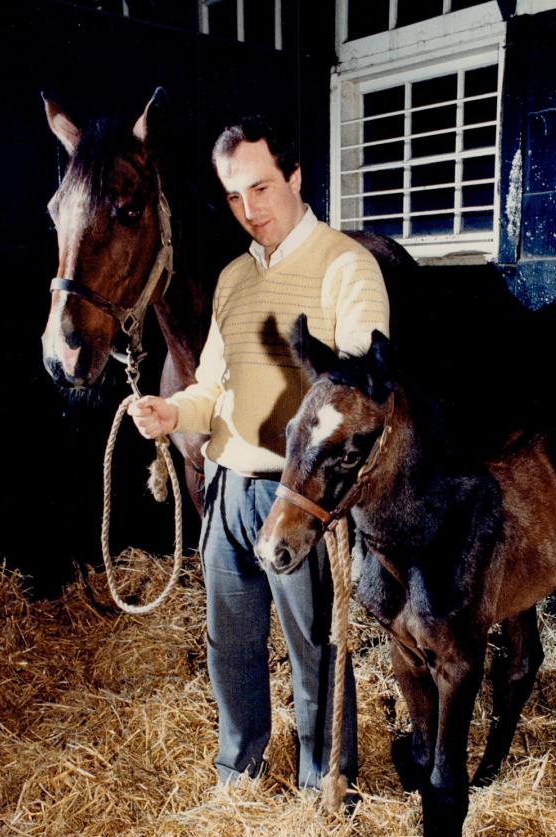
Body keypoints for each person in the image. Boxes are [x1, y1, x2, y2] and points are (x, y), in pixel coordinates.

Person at [129, 115, 390, 793]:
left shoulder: (346, 266)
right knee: (232, 650)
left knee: (315, 656)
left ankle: (325, 791)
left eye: (262, 189)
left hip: (300, 500)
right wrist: (172, 413)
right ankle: (237, 778)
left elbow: (364, 393)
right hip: (227, 489)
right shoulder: (233, 280)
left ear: (296, 177)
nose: (250, 211)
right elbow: (212, 386)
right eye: (234, 196)